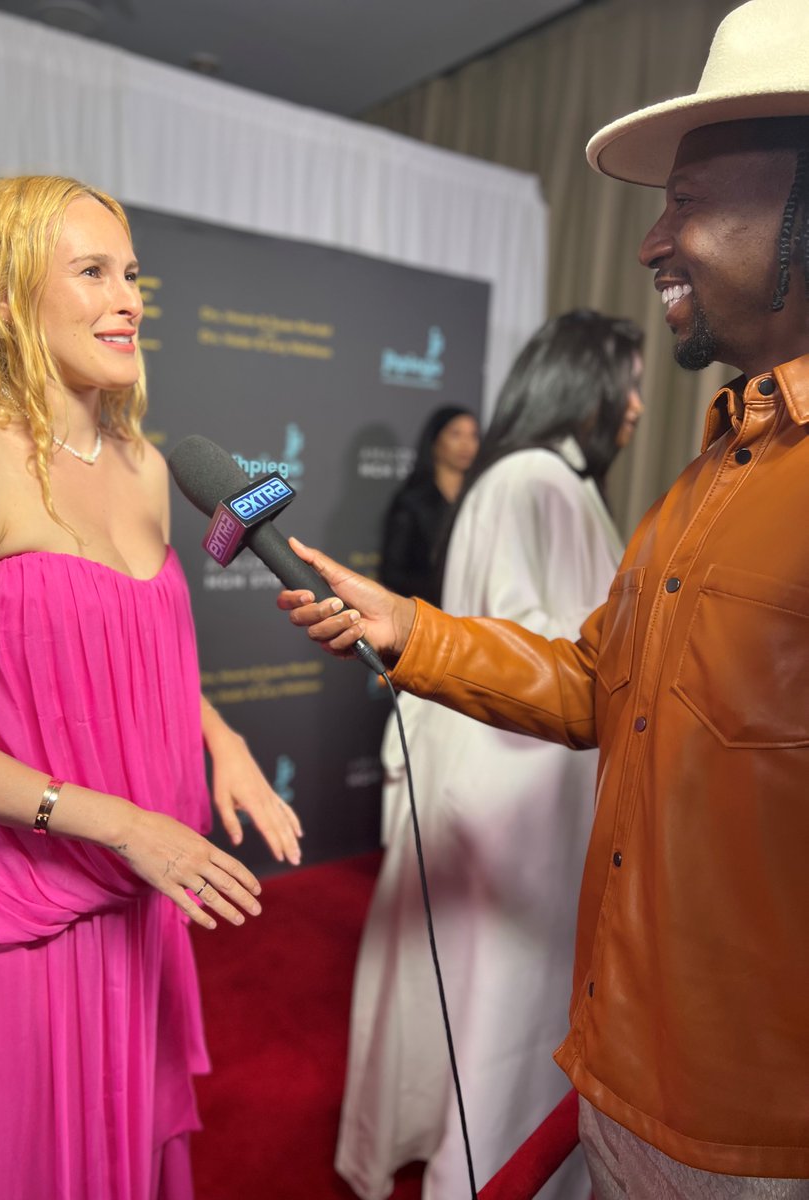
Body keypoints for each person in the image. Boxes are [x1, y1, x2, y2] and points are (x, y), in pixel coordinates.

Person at [277, 0, 809, 1193]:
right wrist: (407, 628)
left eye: (689, 199)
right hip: (623, 1082)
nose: (649, 242)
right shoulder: (711, 472)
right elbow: (594, 681)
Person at [0, 174, 303, 1200]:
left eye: (130, 274)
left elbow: (131, 658)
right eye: (91, 273)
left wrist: (222, 743)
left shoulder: (141, 465)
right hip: (13, 912)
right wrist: (117, 821)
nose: (129, 297)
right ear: (6, 300)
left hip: (138, 898)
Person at [336, 310, 643, 1200]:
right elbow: (522, 635)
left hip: (521, 766)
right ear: (579, 382)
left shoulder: (544, 477)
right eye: (624, 383)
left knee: (484, 981)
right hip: (516, 773)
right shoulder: (536, 479)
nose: (633, 406)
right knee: (502, 987)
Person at [379, 405, 479, 605]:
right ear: (435, 440)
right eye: (456, 434)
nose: (466, 444)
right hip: (428, 614)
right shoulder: (411, 501)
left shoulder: (481, 498)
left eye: (473, 435)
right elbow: (392, 573)